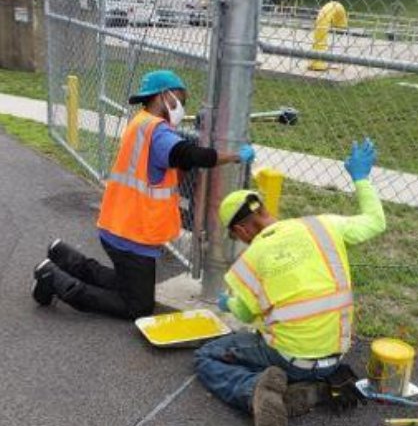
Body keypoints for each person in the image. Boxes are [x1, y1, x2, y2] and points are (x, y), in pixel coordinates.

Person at [194, 138, 385, 426]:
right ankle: (309, 390)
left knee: (207, 355)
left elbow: (246, 313)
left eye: (236, 237)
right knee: (285, 349)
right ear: (266, 208)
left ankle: (254, 390)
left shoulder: (253, 258)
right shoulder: (324, 225)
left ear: (241, 231)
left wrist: (228, 302)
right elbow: (376, 222)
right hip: (335, 356)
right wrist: (361, 178)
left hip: (288, 359)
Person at [32, 70, 254, 319]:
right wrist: (235, 156)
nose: (182, 106)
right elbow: (191, 155)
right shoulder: (157, 132)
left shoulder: (142, 122)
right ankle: (55, 280)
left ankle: (63, 256)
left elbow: (171, 168)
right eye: (180, 98)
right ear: (163, 96)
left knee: (123, 283)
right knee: (137, 306)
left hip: (120, 225)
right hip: (132, 235)